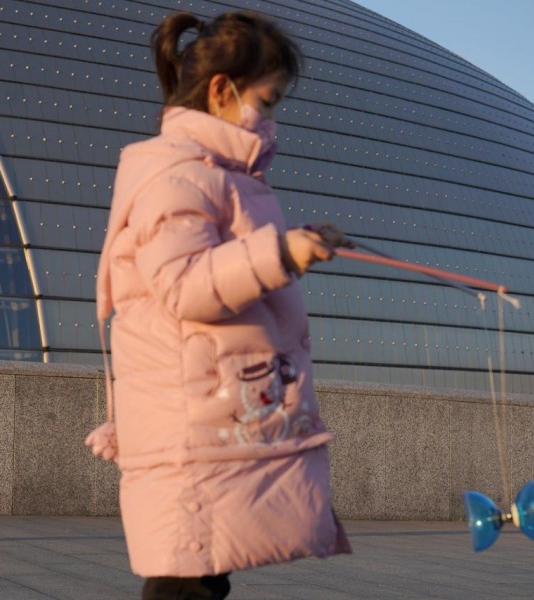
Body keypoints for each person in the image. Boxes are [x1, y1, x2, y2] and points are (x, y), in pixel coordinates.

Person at [86, 11, 354, 599]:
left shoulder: (217, 177)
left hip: (209, 419)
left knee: (197, 579)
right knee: (188, 583)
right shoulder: (178, 174)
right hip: (189, 428)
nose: (272, 117)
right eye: (269, 99)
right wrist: (278, 254)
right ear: (222, 90)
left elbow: (222, 264)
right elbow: (183, 285)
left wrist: (294, 243)